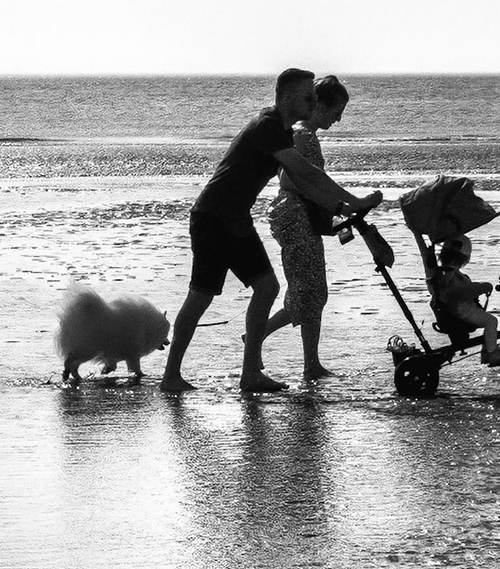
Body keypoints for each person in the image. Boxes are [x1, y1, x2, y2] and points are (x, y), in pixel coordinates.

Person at [161, 68, 381, 394]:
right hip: (212, 218)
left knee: (266, 288)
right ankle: (171, 377)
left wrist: (343, 208)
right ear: (289, 96)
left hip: (235, 220)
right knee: (201, 296)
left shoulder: (283, 131)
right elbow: (305, 172)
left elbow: (306, 182)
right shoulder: (267, 126)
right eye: (308, 96)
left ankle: (250, 374)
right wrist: (353, 199)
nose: (313, 101)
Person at [259, 75, 354, 381]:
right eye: (336, 111)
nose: (338, 119)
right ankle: (258, 335)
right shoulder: (302, 134)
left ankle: (311, 363)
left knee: (315, 291)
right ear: (320, 105)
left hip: (302, 217)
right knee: (307, 292)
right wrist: (340, 204)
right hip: (294, 218)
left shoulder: (306, 134)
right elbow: (289, 180)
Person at [414, 234, 500, 364]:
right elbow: (464, 293)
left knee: (488, 320)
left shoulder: (445, 272)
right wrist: (483, 287)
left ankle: (488, 350)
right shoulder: (449, 275)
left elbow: (425, 253)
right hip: (462, 311)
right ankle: (491, 352)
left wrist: (421, 234)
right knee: (491, 321)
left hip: (459, 309)